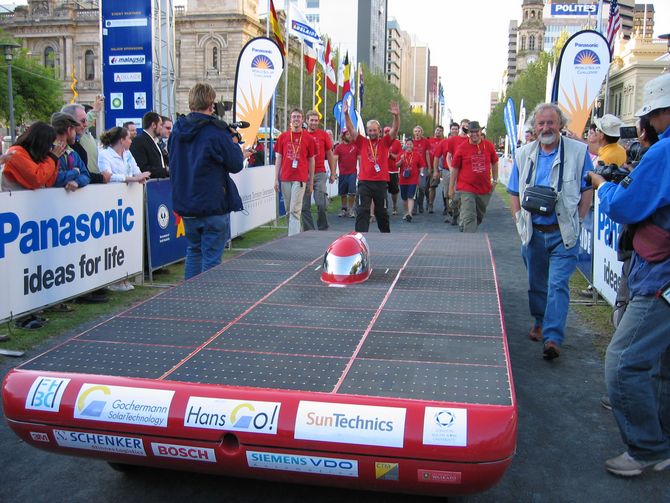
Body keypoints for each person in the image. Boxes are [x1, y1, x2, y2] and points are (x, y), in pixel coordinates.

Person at [588, 73, 670, 477]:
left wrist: (604, 188)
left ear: (659, 113)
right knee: (661, 362)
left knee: (624, 361)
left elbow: (627, 207)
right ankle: (661, 439)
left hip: (661, 277)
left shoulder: (664, 152)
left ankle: (646, 447)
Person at [507, 103, 593, 360]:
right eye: (541, 123)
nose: (546, 127)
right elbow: (514, 192)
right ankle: (539, 320)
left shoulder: (579, 152)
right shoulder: (523, 154)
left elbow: (586, 189)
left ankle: (553, 337)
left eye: (551, 123)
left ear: (560, 125)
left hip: (562, 233)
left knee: (557, 284)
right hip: (533, 232)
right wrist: (519, 221)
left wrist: (578, 218)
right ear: (534, 127)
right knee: (537, 283)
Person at [168, 83, 245, 279]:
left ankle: (190, 297)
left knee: (194, 251)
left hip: (187, 203)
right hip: (212, 203)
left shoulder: (177, 130)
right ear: (211, 104)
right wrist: (234, 144)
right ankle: (205, 299)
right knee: (211, 257)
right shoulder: (216, 131)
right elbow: (236, 164)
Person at [343, 98, 400, 233]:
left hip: (380, 183)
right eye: (370, 130)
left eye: (375, 130)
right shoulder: (362, 142)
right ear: (367, 131)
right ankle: (360, 237)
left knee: (382, 212)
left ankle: (385, 236)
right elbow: (351, 129)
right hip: (365, 183)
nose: (372, 133)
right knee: (362, 210)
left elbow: (395, 129)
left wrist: (396, 116)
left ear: (379, 130)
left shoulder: (385, 142)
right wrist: (346, 114)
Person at [448, 121, 498, 233]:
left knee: (478, 217)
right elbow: (455, 168)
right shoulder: (462, 148)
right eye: (471, 132)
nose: (474, 134)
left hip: (484, 189)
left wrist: (495, 180)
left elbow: (494, 162)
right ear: (468, 133)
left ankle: (464, 224)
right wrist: (451, 189)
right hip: (466, 188)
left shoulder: (488, 145)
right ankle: (468, 244)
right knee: (470, 218)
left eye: (477, 131)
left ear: (480, 131)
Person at [274, 108, 316, 236]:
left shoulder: (308, 138)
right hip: (285, 177)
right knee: (288, 210)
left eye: (298, 117)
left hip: (300, 178)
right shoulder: (283, 137)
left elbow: (311, 160)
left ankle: (292, 239)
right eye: (294, 117)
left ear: (302, 119)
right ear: (290, 119)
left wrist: (311, 180)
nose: (296, 119)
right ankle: (296, 232)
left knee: (295, 210)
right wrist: (276, 178)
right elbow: (279, 157)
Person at [1, 122, 62, 192]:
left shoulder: (35, 154)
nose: (50, 148)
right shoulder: (16, 153)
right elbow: (37, 179)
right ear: (41, 142)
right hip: (15, 200)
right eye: (49, 144)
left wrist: (53, 160)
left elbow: (48, 183)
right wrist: (52, 158)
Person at [302, 110, 335, 231]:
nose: (314, 122)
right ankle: (308, 230)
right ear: (307, 121)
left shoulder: (323, 135)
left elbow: (330, 154)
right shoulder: (302, 135)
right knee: (304, 206)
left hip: (320, 173)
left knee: (321, 204)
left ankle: (323, 227)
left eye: (316, 120)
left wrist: (333, 173)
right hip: (304, 174)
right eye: (311, 120)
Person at [50, 112, 91, 192]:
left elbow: (86, 175)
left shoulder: (73, 153)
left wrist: (77, 181)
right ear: (69, 130)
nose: (75, 134)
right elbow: (53, 178)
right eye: (74, 130)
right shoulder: (49, 151)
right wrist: (75, 172)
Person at [130, 111, 169, 179]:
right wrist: (165, 171)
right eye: (160, 125)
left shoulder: (156, 142)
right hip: (149, 186)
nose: (161, 128)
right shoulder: (139, 141)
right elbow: (142, 168)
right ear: (153, 125)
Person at [333, 128, 358, 218]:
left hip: (352, 173)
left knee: (352, 192)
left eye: (350, 134)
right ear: (343, 136)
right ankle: (344, 209)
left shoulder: (355, 146)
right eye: (347, 134)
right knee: (343, 193)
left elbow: (361, 158)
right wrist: (333, 172)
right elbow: (334, 160)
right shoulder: (339, 147)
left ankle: (351, 209)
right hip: (343, 173)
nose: (350, 136)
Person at [397, 138, 421, 222]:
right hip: (403, 179)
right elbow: (397, 165)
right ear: (405, 145)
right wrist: (401, 160)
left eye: (411, 144)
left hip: (413, 179)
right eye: (408, 144)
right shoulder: (401, 154)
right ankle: (405, 212)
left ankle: (410, 213)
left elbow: (421, 165)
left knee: (410, 196)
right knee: (404, 197)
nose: (409, 146)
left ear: (413, 145)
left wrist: (420, 174)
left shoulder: (417, 155)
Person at [410, 125, 430, 214]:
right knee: (413, 187)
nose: (417, 133)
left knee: (422, 187)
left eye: (419, 131)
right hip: (412, 167)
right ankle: (414, 207)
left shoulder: (425, 141)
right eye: (416, 131)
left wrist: (429, 167)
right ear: (413, 133)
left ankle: (420, 203)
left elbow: (427, 154)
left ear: (422, 132)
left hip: (422, 167)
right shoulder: (411, 142)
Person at [426, 125, 445, 213]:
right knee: (425, 187)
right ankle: (428, 200)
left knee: (432, 187)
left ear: (442, 132)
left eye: (440, 131)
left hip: (438, 167)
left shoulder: (444, 142)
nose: (438, 132)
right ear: (434, 131)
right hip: (427, 166)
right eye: (437, 130)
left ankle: (430, 204)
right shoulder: (429, 141)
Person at [386, 126, 402, 216]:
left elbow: (399, 157)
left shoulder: (397, 143)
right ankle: (383, 207)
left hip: (393, 171)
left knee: (394, 191)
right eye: (386, 132)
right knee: (381, 191)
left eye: (389, 132)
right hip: (382, 171)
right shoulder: (381, 142)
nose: (387, 134)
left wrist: (390, 155)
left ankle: (394, 205)